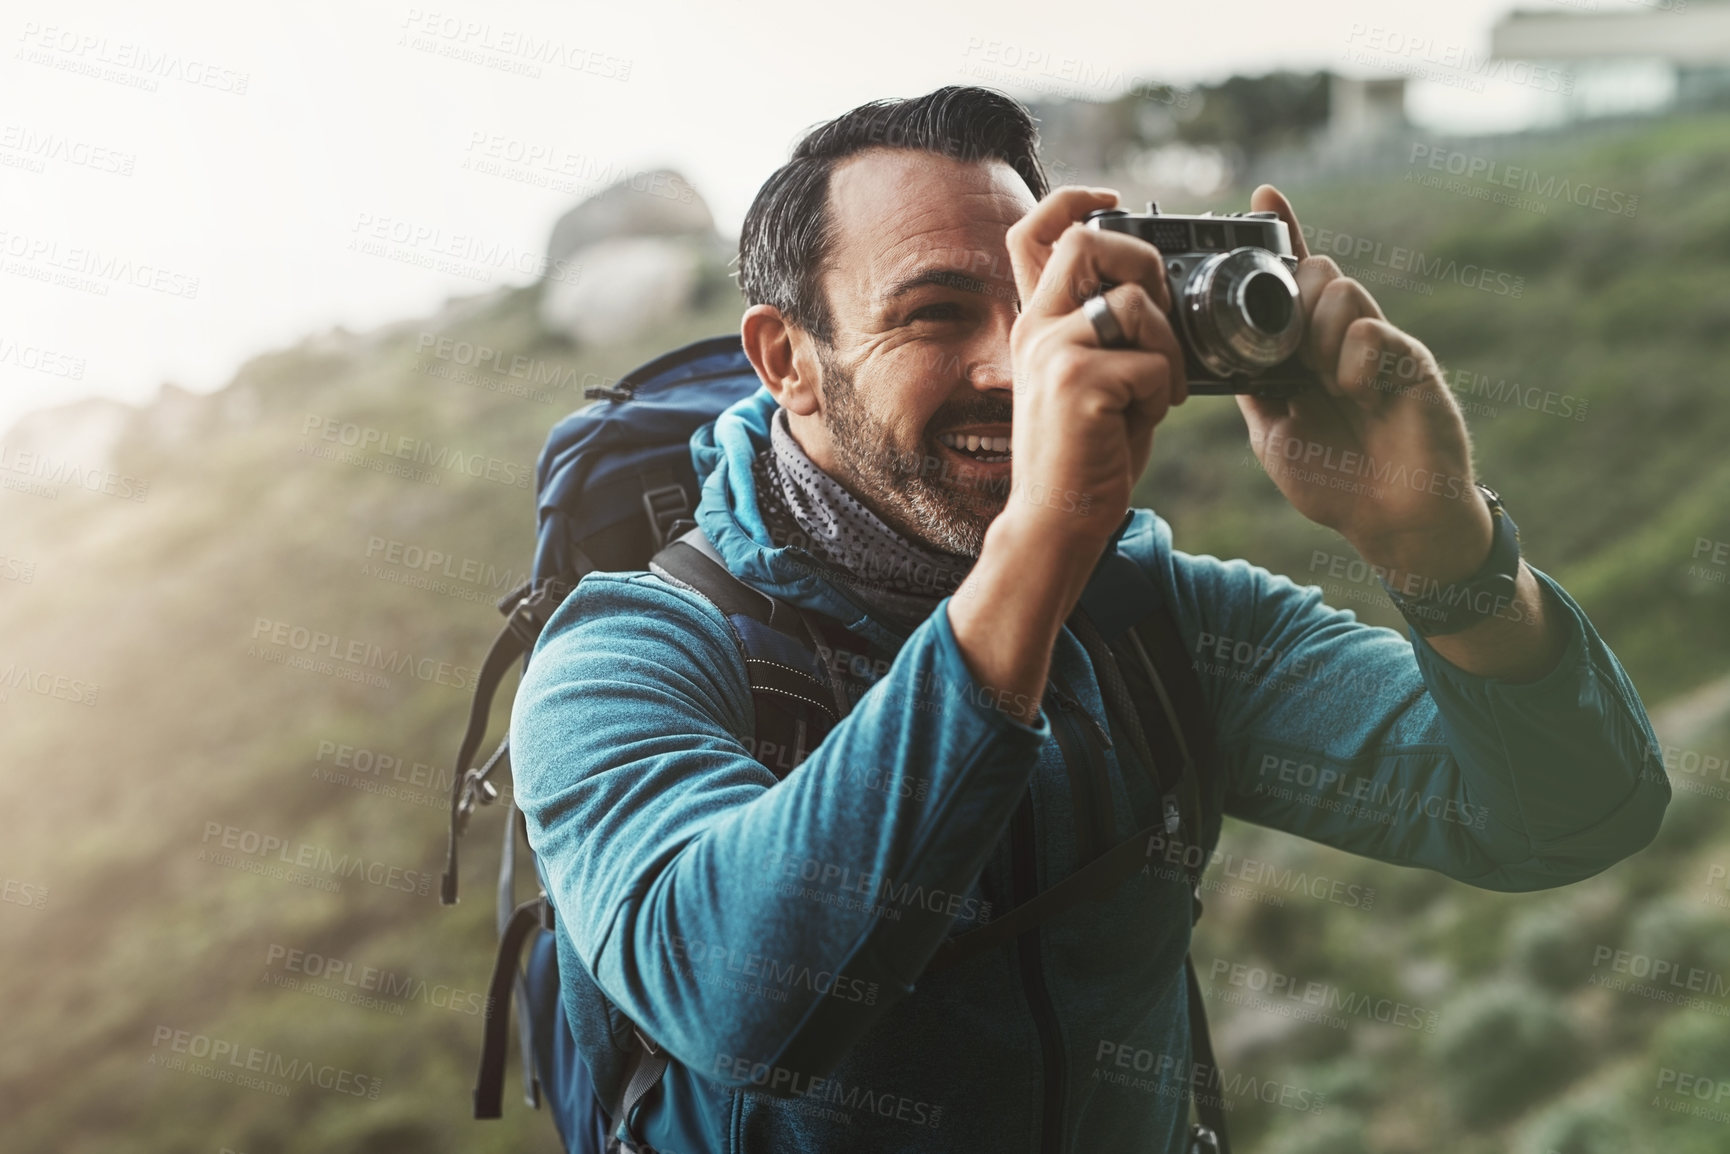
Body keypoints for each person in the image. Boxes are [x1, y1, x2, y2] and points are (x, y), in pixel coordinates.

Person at [509, 86, 1668, 1154]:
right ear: (786, 359)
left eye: (1034, 308)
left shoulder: (1149, 621)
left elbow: (1565, 812)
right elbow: (740, 999)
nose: (1011, 367)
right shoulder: (625, 657)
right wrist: (1043, 543)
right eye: (933, 313)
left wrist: (1439, 548)